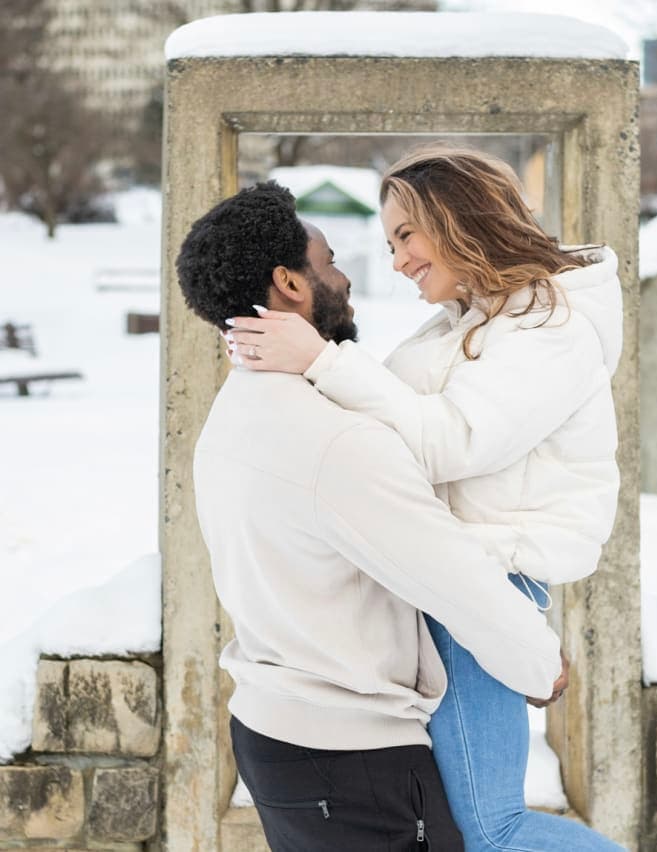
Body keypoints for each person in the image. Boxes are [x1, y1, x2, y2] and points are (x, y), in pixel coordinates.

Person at [224, 145, 624, 852]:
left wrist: (319, 359)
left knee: (491, 830)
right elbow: (384, 424)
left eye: (406, 235)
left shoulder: (551, 329)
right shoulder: (466, 321)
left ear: (459, 217)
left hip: (486, 586)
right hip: (448, 586)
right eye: (388, 243)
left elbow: (453, 441)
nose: (399, 259)